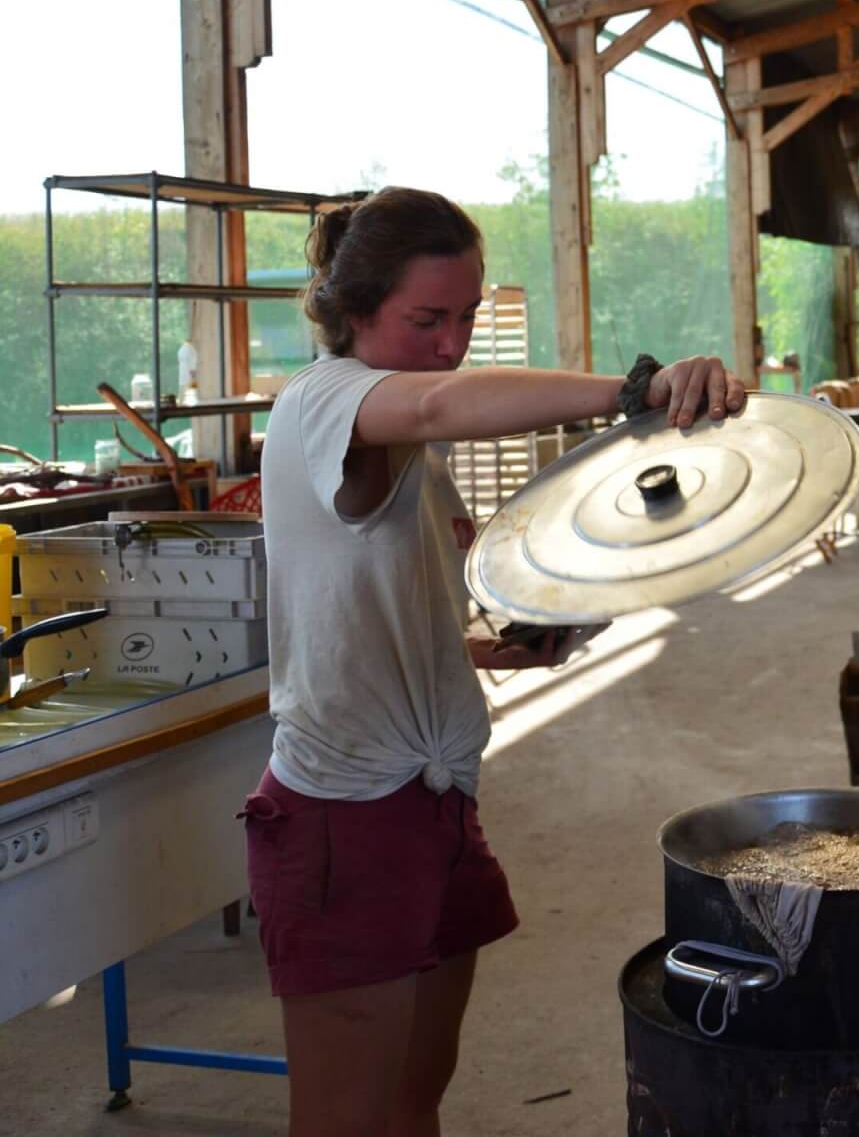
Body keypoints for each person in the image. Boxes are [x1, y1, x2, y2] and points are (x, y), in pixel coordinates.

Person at [243, 186, 745, 1137]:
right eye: (425, 318)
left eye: (467, 315)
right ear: (353, 316)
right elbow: (436, 398)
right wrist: (632, 395)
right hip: (342, 817)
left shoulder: (411, 458)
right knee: (347, 1120)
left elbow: (379, 606)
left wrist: (495, 641)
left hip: (436, 794)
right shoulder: (323, 403)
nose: (451, 342)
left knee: (413, 1099)